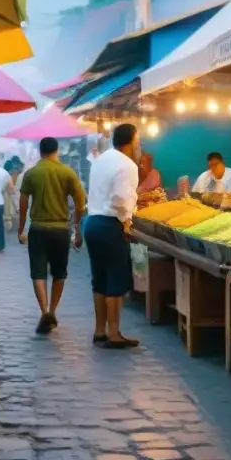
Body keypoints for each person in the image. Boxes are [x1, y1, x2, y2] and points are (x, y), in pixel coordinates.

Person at [18, 137, 87, 334]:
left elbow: (23, 204)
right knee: (59, 272)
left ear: (40, 152)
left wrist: (20, 229)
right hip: (60, 230)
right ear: (57, 150)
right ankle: (54, 310)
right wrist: (76, 225)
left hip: (38, 229)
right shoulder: (68, 172)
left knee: (38, 272)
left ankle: (44, 311)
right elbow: (81, 203)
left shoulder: (31, 174)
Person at [84, 123, 140, 349]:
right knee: (116, 280)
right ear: (132, 141)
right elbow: (121, 198)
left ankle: (100, 331)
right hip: (110, 225)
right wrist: (126, 220)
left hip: (92, 223)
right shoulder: (127, 165)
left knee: (99, 280)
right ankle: (114, 332)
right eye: (138, 140)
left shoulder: (101, 160)